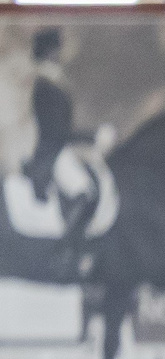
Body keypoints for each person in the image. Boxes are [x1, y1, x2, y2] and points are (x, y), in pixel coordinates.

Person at [22, 29, 98, 254]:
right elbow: (57, 131)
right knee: (85, 193)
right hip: (53, 152)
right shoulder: (46, 85)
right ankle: (64, 251)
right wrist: (91, 136)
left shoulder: (53, 81)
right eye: (57, 48)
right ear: (49, 52)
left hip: (61, 148)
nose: (60, 52)